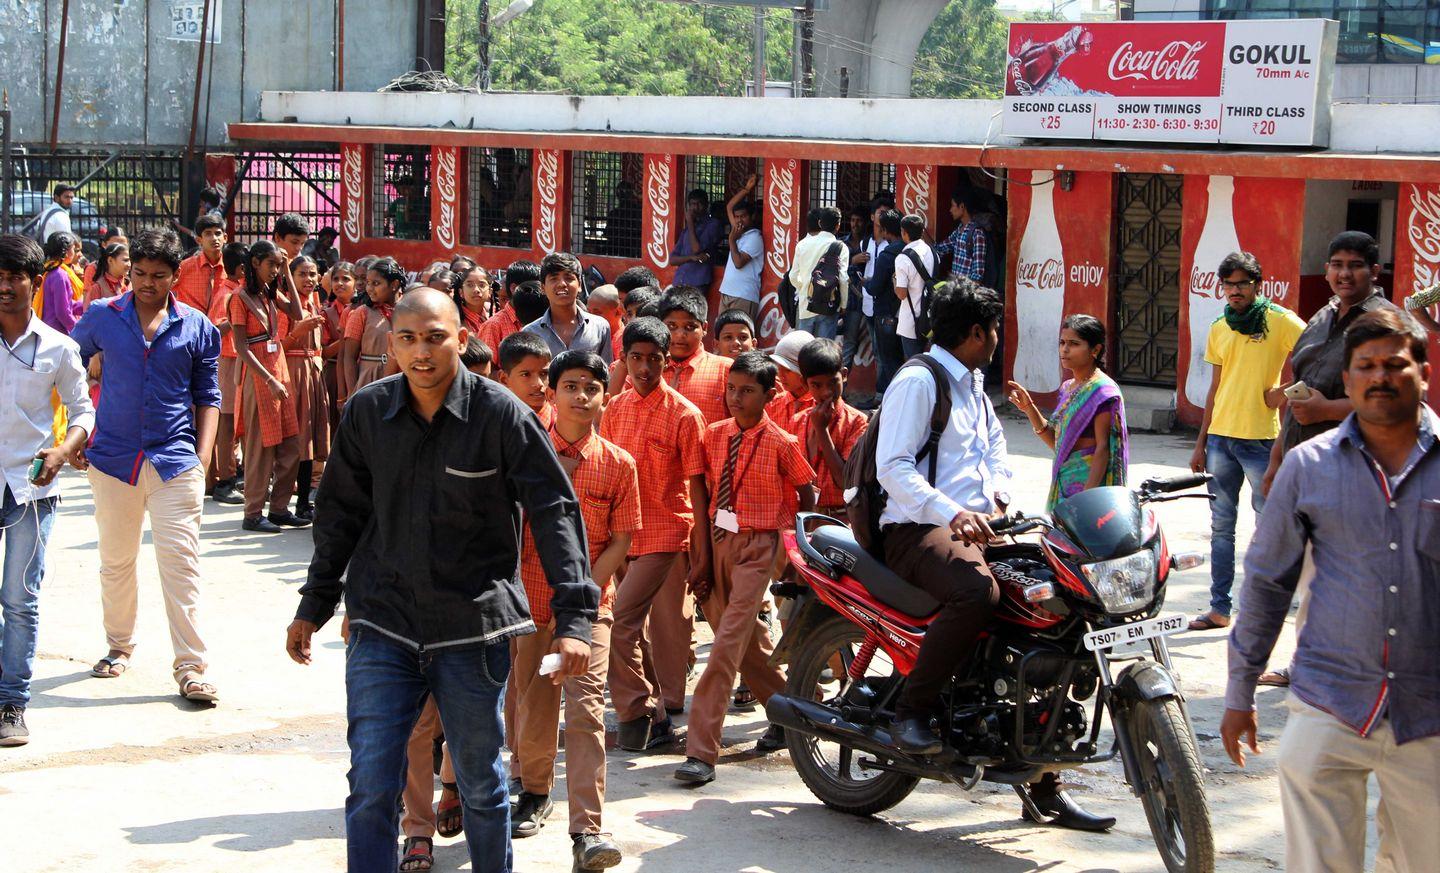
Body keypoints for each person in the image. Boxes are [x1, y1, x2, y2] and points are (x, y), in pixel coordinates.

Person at [286, 287, 598, 873]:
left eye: (435, 337)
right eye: (407, 338)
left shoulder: (502, 415)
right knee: (371, 787)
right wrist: (316, 601)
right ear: (391, 343)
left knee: (481, 785)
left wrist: (575, 618)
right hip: (383, 625)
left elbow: (555, 511)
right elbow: (340, 515)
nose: (421, 352)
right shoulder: (367, 413)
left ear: (461, 337)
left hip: (471, 632)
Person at [873, 279, 1110, 828]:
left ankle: (1042, 778)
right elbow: (894, 467)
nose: (1001, 337)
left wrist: (999, 496)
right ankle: (913, 710)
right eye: (996, 327)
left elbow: (994, 451)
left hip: (981, 528)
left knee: (1054, 603)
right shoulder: (918, 381)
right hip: (917, 528)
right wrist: (953, 512)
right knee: (976, 592)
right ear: (977, 332)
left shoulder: (974, 383)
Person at [1222, 308, 1439, 873]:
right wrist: (1239, 691)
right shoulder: (1307, 466)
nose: (1380, 376)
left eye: (1395, 363)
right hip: (1330, 702)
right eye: (1365, 366)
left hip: (1431, 713)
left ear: (1424, 372)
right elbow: (1268, 583)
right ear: (1347, 381)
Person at [70, 227, 221, 703]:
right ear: (128, 270)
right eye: (139, 274)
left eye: (158, 276)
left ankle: (192, 667)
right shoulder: (101, 316)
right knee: (116, 562)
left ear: (176, 275)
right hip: (112, 458)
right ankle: (118, 647)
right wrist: (77, 429)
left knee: (181, 565)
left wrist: (202, 458)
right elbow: (68, 364)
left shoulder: (198, 327)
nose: (147, 284)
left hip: (176, 460)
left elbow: (208, 396)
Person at [509, 351, 637, 870]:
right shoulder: (524, 455)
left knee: (585, 714)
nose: (581, 396)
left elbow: (621, 540)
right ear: (553, 392)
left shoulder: (618, 464)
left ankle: (588, 828)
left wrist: (582, 595)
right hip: (529, 607)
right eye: (570, 386)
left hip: (587, 614)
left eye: (591, 387)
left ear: (605, 396)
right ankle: (535, 792)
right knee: (534, 704)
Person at [674, 350, 816, 785]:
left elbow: (806, 494)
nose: (736, 398)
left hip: (760, 546)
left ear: (769, 395)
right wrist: (701, 554)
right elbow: (704, 493)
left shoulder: (782, 443)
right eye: (731, 389)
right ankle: (789, 713)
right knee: (738, 640)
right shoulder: (714, 435)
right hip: (719, 540)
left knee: (724, 647)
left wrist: (793, 550)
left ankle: (701, 751)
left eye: (747, 391)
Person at [0, 234, 94, 746]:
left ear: (35, 284)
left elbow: (83, 411)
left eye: (14, 277)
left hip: (30, 490)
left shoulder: (59, 347)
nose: (5, 287)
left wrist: (62, 452)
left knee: (19, 599)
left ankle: (11, 703)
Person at [1185, 252, 1307, 632]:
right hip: (1221, 439)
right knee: (1221, 528)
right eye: (1228, 284)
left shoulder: (1279, 320)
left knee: (1270, 526)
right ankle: (1220, 608)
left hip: (1261, 441)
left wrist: (1285, 392)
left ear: (1258, 284)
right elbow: (1215, 388)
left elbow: (1321, 357)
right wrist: (1201, 442)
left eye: (1242, 283)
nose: (1235, 291)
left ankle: (1267, 604)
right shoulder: (1220, 326)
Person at [603, 317, 708, 751]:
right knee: (631, 629)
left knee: (617, 625)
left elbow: (698, 488)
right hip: (623, 536)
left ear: (667, 362)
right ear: (623, 360)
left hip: (666, 534)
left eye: (653, 359)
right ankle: (658, 718)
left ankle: (634, 715)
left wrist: (701, 555)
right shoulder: (614, 409)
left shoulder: (686, 414)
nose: (644, 368)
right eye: (636, 358)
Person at [1262, 231, 1400, 495]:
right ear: (1326, 270)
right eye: (1337, 265)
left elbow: (1397, 405)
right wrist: (1276, 459)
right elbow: (1298, 398)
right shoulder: (1321, 317)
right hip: (1300, 467)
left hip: (1355, 476)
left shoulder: (1386, 324)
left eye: (1355, 266)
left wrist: (1327, 409)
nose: (1344, 274)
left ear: (1374, 271)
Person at [1007, 314, 1129, 511]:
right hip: (1064, 483)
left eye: (1074, 343)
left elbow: (1103, 448)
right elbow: (1058, 444)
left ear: (1095, 350)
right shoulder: (1067, 388)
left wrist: (1085, 500)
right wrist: (1029, 408)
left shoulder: (1102, 392)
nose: (1064, 349)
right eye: (1062, 342)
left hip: (1089, 490)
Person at [229, 241, 308, 533]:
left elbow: (297, 314)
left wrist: (287, 271)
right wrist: (269, 379)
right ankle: (252, 513)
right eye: (271, 265)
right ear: (255, 263)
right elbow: (241, 347)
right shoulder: (240, 298)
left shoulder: (269, 294)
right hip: (259, 374)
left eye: (278, 265)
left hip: (280, 368)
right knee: (261, 447)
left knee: (291, 444)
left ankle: (278, 509)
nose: (274, 270)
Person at [787, 338, 867, 516]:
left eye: (833, 382)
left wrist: (822, 431)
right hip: (804, 517)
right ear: (804, 382)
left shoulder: (857, 422)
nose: (826, 392)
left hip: (840, 517)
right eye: (816, 385)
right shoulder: (797, 421)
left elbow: (844, 480)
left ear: (844, 375)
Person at [282, 255, 330, 522]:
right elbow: (278, 346)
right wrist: (297, 332)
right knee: (295, 440)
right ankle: (283, 502)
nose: (309, 279)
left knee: (311, 439)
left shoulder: (316, 301)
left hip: (314, 371)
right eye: (302, 274)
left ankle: (303, 503)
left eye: (313, 274)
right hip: (293, 371)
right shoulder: (285, 304)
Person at [207, 242, 249, 506]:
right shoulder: (227, 292)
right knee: (226, 420)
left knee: (236, 420)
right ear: (244, 268)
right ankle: (225, 479)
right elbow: (215, 327)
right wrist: (235, 320)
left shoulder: (236, 291)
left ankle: (234, 473)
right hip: (229, 359)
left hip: (238, 359)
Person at [658, 289, 732, 424]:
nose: (680, 334)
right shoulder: (650, 369)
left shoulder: (725, 370)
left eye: (690, 327)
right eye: (672, 326)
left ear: (704, 328)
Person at [523, 252, 613, 363]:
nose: (562, 284)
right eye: (554, 279)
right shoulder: (530, 333)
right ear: (543, 288)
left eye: (568, 278)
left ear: (579, 285)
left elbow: (605, 374)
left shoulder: (600, 327)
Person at [340, 257, 405, 404]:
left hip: (403, 378)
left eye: (376, 283)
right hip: (370, 379)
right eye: (369, 283)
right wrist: (352, 391)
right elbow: (349, 357)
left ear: (394, 284)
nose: (369, 288)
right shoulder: (361, 313)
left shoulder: (409, 310)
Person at [788, 207, 849, 340]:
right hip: (829, 304)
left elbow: (792, 276)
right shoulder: (840, 247)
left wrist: (805, 287)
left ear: (820, 223)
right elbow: (843, 279)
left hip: (806, 304)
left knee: (803, 350)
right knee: (823, 352)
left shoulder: (802, 244)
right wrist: (843, 305)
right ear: (838, 226)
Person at [866, 210, 906, 397]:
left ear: (884, 230)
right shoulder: (911, 250)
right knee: (900, 358)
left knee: (887, 360)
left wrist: (865, 282)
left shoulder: (887, 256)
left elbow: (874, 288)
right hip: (906, 314)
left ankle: (892, 399)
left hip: (886, 314)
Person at [717, 176, 764, 322]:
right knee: (722, 333)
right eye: (736, 217)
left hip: (744, 295)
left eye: (743, 216)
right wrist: (747, 189)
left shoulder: (755, 237)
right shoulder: (738, 231)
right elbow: (730, 206)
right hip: (726, 292)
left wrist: (731, 239)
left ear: (752, 217)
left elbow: (738, 263)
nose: (739, 220)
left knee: (741, 334)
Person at [320, 261, 358, 434]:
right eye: (335, 279)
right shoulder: (326, 313)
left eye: (346, 279)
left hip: (359, 370)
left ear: (356, 282)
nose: (340, 283)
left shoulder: (364, 310)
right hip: (334, 373)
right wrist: (347, 338)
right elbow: (325, 352)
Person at [894, 213, 936, 361]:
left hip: (911, 321)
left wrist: (894, 280)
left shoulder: (903, 258)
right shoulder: (932, 251)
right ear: (922, 231)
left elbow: (901, 294)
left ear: (903, 232)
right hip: (930, 318)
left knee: (913, 362)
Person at [478, 260, 539, 354]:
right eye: (532, 288)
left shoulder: (543, 318)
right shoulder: (494, 326)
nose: (538, 292)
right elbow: (485, 367)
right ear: (514, 288)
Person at [497, 331, 555, 428]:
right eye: (526, 374)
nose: (539, 383)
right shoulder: (497, 423)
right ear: (504, 379)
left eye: (544, 373)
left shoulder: (566, 418)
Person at [839, 204, 871, 370]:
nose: (855, 224)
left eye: (859, 221)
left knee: (857, 342)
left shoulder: (871, 244)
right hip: (844, 300)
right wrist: (852, 260)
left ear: (866, 223)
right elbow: (833, 267)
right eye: (852, 220)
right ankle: (838, 384)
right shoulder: (841, 243)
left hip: (864, 298)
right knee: (843, 341)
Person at [671, 189, 723, 292]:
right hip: (680, 280)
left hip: (698, 282)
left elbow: (696, 249)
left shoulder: (713, 225)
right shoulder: (686, 230)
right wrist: (691, 258)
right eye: (692, 204)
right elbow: (672, 260)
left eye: (699, 204)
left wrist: (689, 222)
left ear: (706, 205)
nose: (695, 208)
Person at [173, 214, 226, 314]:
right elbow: (164, 289)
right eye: (208, 234)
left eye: (218, 233)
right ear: (199, 240)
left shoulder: (231, 268)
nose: (214, 238)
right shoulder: (185, 266)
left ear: (225, 237)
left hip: (221, 327)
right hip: (189, 326)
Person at [36, 232, 85, 336]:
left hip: (48, 328)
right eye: (73, 249)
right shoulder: (60, 275)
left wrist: (87, 304)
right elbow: (62, 313)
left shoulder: (49, 270)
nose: (76, 253)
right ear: (66, 252)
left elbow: (65, 303)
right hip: (56, 332)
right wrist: (78, 331)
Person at [764, 329, 815, 426]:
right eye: (778, 367)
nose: (780, 374)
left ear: (805, 370)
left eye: (788, 370)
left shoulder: (822, 407)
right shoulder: (771, 405)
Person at [83, 238, 130, 304]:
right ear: (110, 260)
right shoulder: (98, 288)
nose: (129, 264)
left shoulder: (129, 284)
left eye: (130, 260)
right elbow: (89, 312)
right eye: (125, 260)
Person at [586, 284, 624, 361]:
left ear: (618, 312)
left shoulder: (623, 340)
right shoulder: (588, 335)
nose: (590, 316)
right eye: (588, 312)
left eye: (597, 313)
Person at [453, 264, 493, 336]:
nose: (476, 290)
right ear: (461, 292)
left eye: (482, 285)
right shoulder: (454, 321)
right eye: (470, 285)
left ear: (490, 291)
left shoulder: (494, 317)